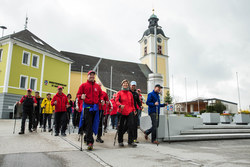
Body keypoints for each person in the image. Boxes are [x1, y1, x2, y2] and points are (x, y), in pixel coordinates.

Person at [77, 70, 103, 150]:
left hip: (95, 108)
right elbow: (78, 95)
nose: (92, 76)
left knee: (93, 124)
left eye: (93, 75)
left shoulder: (97, 86)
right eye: (90, 75)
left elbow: (101, 95)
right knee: (88, 124)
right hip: (87, 108)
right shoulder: (83, 85)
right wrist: (81, 97)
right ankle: (90, 142)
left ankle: (86, 137)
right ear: (87, 76)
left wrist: (101, 100)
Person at [116, 79, 137, 147]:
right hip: (122, 111)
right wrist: (119, 105)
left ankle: (130, 141)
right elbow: (116, 101)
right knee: (121, 127)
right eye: (124, 84)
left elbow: (132, 103)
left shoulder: (130, 93)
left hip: (129, 111)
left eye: (126, 84)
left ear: (128, 85)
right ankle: (120, 141)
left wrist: (134, 110)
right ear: (122, 84)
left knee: (131, 126)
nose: (125, 85)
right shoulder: (119, 93)